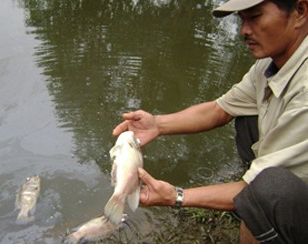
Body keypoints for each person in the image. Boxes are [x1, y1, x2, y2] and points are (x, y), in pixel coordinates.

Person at [112, 0, 308, 243]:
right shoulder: (272, 64)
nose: (243, 31)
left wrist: (176, 196)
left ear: (300, 12)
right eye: (241, 19)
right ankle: (250, 206)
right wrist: (158, 125)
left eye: (255, 17)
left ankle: (258, 214)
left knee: (268, 190)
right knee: (246, 116)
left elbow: (260, 186)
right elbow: (220, 109)